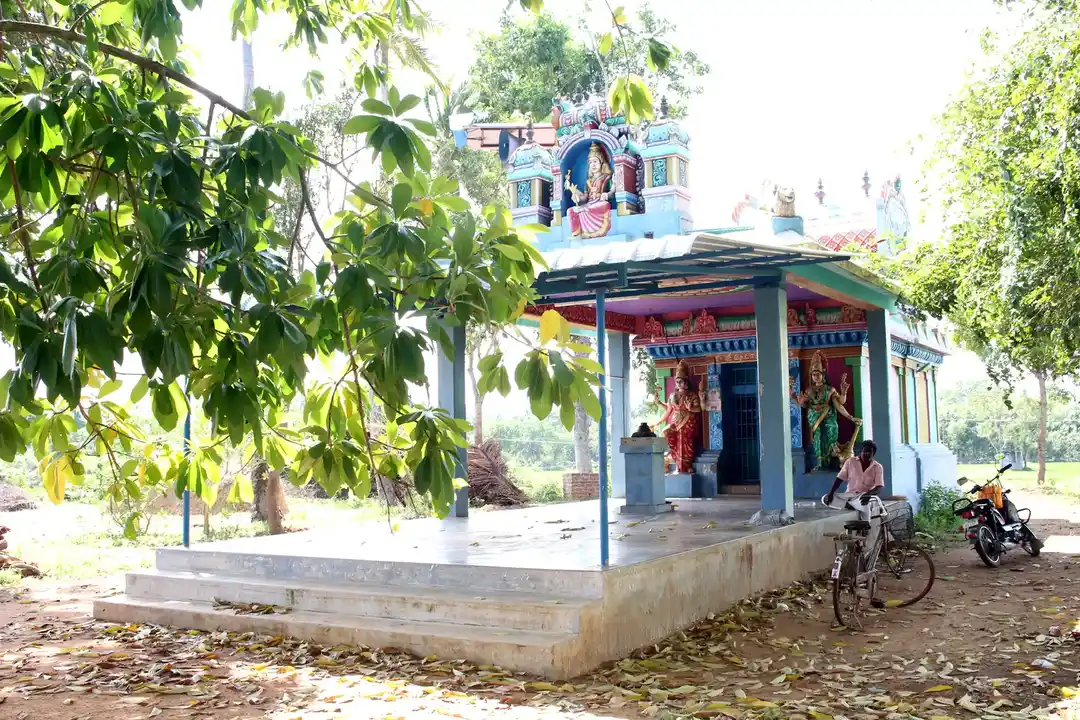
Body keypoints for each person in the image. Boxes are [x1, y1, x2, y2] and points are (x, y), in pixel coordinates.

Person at [825, 439, 883, 506]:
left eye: (869, 451)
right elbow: (839, 479)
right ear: (861, 451)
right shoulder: (850, 462)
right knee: (828, 498)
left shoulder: (877, 467)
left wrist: (868, 495)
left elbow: (878, 488)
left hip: (866, 497)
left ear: (874, 453)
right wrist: (831, 493)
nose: (866, 453)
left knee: (865, 510)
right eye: (864, 451)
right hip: (850, 495)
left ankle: (854, 506)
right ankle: (850, 504)